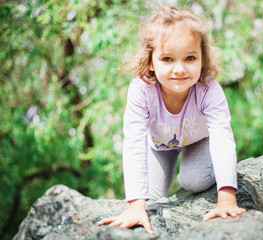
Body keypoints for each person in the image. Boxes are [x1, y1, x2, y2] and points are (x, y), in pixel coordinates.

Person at [97, 6, 246, 234]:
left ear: (202, 59)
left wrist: (227, 198)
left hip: (199, 141)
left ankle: (219, 171)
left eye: (190, 58)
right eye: (167, 59)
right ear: (150, 61)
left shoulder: (208, 90)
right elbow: (134, 142)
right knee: (152, 201)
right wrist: (135, 205)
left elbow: (222, 136)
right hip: (160, 147)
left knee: (193, 181)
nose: (179, 69)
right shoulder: (141, 90)